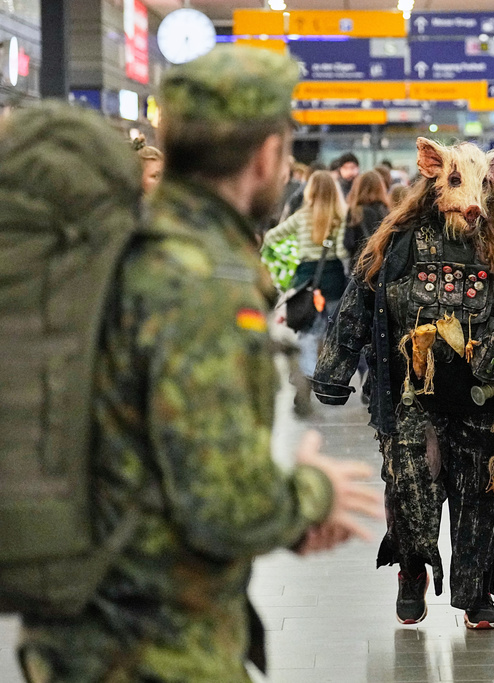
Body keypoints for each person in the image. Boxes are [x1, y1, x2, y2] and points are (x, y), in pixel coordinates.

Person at [16, 46, 383, 683]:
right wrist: (311, 494)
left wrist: (288, 523)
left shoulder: (125, 246)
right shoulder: (201, 283)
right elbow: (223, 507)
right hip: (154, 648)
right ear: (267, 154)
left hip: (83, 634)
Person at [313, 138, 494, 631]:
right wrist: (333, 370)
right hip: (410, 395)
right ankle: (411, 569)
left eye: (479, 185)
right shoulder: (399, 240)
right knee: (409, 490)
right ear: (433, 175)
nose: (470, 203)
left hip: (488, 399)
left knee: (484, 494)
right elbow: (362, 295)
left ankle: (477, 590)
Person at [264, 170, 349, 415]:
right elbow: (344, 252)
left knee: (308, 335)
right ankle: (326, 378)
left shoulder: (301, 216)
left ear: (310, 191)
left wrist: (288, 257)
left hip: (305, 281)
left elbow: (271, 237)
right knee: (332, 332)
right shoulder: (340, 216)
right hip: (332, 280)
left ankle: (307, 377)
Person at [344, 170, 391, 262]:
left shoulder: (354, 212)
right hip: (382, 264)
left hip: (360, 264)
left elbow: (348, 243)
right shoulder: (386, 211)